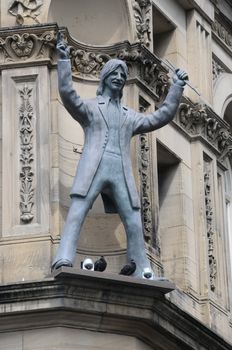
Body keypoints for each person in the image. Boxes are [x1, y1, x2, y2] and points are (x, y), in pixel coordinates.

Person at [52, 33, 188, 278]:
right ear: (105, 78)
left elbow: (160, 116)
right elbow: (68, 95)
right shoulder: (92, 107)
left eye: (123, 76)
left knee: (134, 221)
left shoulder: (130, 115)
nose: (119, 78)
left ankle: (142, 267)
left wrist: (176, 87)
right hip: (95, 165)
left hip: (120, 171)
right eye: (114, 74)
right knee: (78, 210)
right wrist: (63, 61)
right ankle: (64, 256)